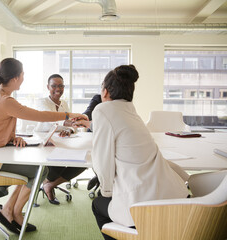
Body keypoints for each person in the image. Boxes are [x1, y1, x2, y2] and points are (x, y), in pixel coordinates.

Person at [0, 58, 87, 234]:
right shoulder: (5, 100)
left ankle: (10, 212)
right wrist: (71, 114)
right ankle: (12, 211)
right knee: (38, 171)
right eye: (23, 74)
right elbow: (38, 115)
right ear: (16, 78)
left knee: (34, 169)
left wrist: (12, 137)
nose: (24, 78)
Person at [74, 65, 189, 240]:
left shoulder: (101, 109)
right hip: (174, 197)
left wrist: (106, 191)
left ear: (104, 92)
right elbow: (117, 129)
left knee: (98, 204)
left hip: (142, 206)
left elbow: (102, 161)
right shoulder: (130, 111)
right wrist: (89, 125)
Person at [34, 74, 86, 205]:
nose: (58, 88)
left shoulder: (64, 104)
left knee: (83, 162)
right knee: (59, 164)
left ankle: (49, 185)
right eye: (54, 86)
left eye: (61, 86)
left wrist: (69, 129)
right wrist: (68, 123)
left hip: (62, 143)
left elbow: (71, 126)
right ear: (48, 87)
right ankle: (46, 181)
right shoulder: (41, 102)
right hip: (44, 144)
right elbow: (49, 118)